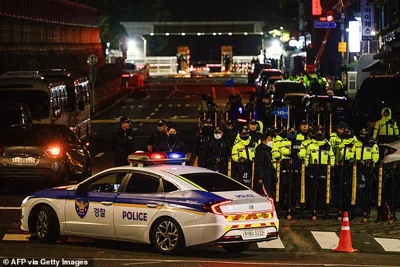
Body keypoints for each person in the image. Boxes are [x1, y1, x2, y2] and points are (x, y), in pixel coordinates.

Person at [254, 133, 276, 197]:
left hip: (268, 176)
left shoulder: (268, 150)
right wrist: (260, 177)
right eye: (269, 140)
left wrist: (274, 177)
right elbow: (259, 164)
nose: (271, 142)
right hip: (264, 177)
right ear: (264, 141)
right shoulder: (260, 150)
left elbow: (270, 165)